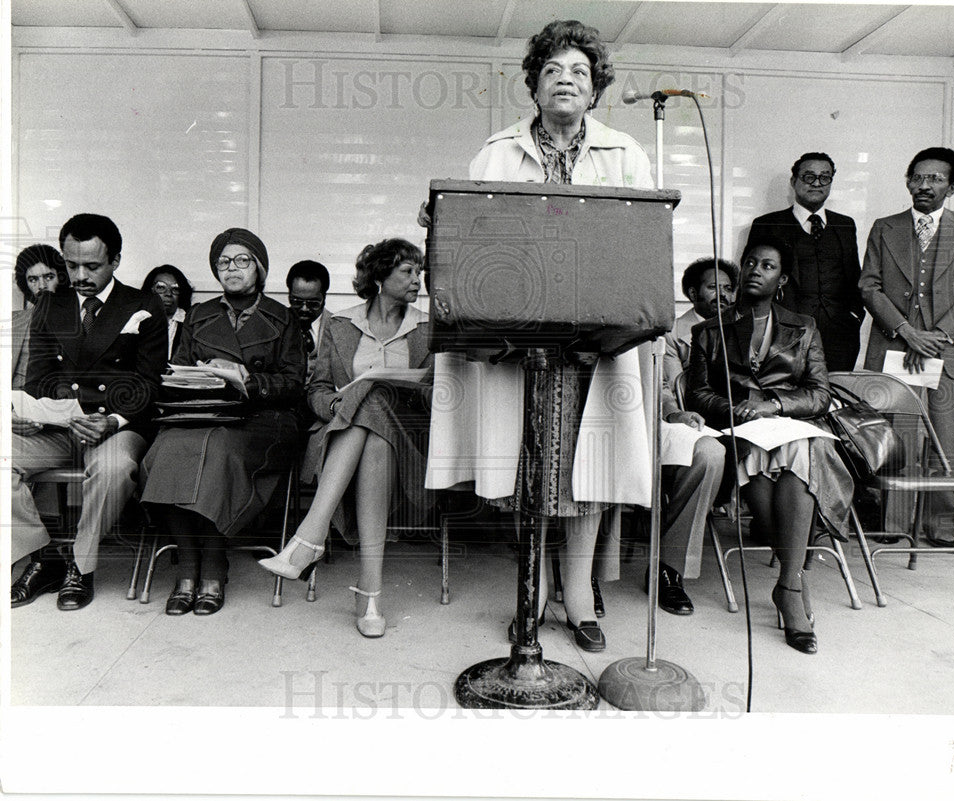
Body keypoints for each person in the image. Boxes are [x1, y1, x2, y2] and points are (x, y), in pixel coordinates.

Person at [424, 20, 656, 652]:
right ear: (533, 85)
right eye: (552, 70)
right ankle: (529, 593)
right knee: (527, 465)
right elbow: (469, 244)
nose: (566, 80)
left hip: (598, 343)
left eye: (579, 72)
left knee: (593, 468)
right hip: (516, 342)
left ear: (596, 88)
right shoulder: (495, 151)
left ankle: (576, 593)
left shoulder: (626, 154)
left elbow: (642, 246)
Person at [686, 235, 854, 654]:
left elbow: (819, 392)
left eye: (768, 266)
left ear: (782, 279)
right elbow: (697, 394)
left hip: (792, 424)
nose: (757, 271)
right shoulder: (708, 331)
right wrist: (740, 408)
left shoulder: (803, 326)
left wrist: (776, 404)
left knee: (798, 451)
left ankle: (789, 584)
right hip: (741, 429)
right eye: (751, 263)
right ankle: (793, 588)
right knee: (771, 456)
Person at [259, 239, 432, 638]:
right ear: (379, 277)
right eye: (408, 271)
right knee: (369, 423)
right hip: (345, 433)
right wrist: (337, 407)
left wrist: (405, 389)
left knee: (375, 401)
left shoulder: (425, 328)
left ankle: (309, 538)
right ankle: (369, 594)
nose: (417, 280)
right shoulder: (341, 325)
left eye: (419, 272)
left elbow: (441, 393)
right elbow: (318, 388)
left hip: (409, 440)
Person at [140, 228, 305, 616]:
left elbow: (295, 384)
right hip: (202, 413)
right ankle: (188, 565)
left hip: (264, 419)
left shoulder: (283, 319)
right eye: (224, 262)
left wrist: (245, 377)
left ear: (260, 269)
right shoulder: (199, 316)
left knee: (215, 448)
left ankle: (213, 564)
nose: (232, 269)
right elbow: (175, 371)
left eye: (242, 260)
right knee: (168, 448)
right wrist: (199, 379)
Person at [10, 214, 168, 610]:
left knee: (114, 468)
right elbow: (38, 379)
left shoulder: (143, 304)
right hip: (61, 425)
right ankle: (42, 556)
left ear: (115, 260)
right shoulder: (50, 305)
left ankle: (81, 565)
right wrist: (37, 413)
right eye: (71, 264)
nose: (80, 275)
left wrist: (110, 420)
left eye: (92, 266)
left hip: (117, 424)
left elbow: (149, 383)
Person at [859, 147, 954, 547]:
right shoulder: (885, 227)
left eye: (934, 179)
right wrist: (907, 331)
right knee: (899, 436)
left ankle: (943, 527)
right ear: (908, 181)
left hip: (950, 351)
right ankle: (893, 525)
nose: (923, 185)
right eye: (917, 178)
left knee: (947, 444)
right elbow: (869, 286)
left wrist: (938, 335)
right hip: (899, 348)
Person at [649, 257, 736, 614]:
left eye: (729, 288)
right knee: (709, 454)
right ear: (691, 293)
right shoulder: (673, 332)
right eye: (714, 287)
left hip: (740, 421)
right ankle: (670, 569)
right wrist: (675, 412)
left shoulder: (744, 329)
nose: (723, 295)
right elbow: (667, 385)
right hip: (694, 421)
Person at [746, 152, 864, 372]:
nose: (817, 183)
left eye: (824, 177)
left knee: (836, 398)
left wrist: (854, 317)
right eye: (809, 177)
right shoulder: (767, 224)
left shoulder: (845, 225)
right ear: (794, 181)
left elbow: (854, 278)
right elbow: (751, 282)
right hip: (784, 334)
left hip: (839, 336)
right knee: (787, 397)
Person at [13, 243, 69, 389]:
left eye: (49, 277)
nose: (42, 285)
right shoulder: (13, 322)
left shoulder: (76, 318)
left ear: (61, 278)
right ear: (25, 284)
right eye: (33, 279)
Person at [285, 259, 332, 381]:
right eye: (297, 302)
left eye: (313, 303)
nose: (304, 309)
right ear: (289, 295)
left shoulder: (338, 327)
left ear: (324, 297)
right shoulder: (275, 324)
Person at [140, 264, 195, 359]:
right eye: (161, 287)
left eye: (175, 289)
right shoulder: (138, 319)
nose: (168, 294)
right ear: (150, 290)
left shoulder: (191, 322)